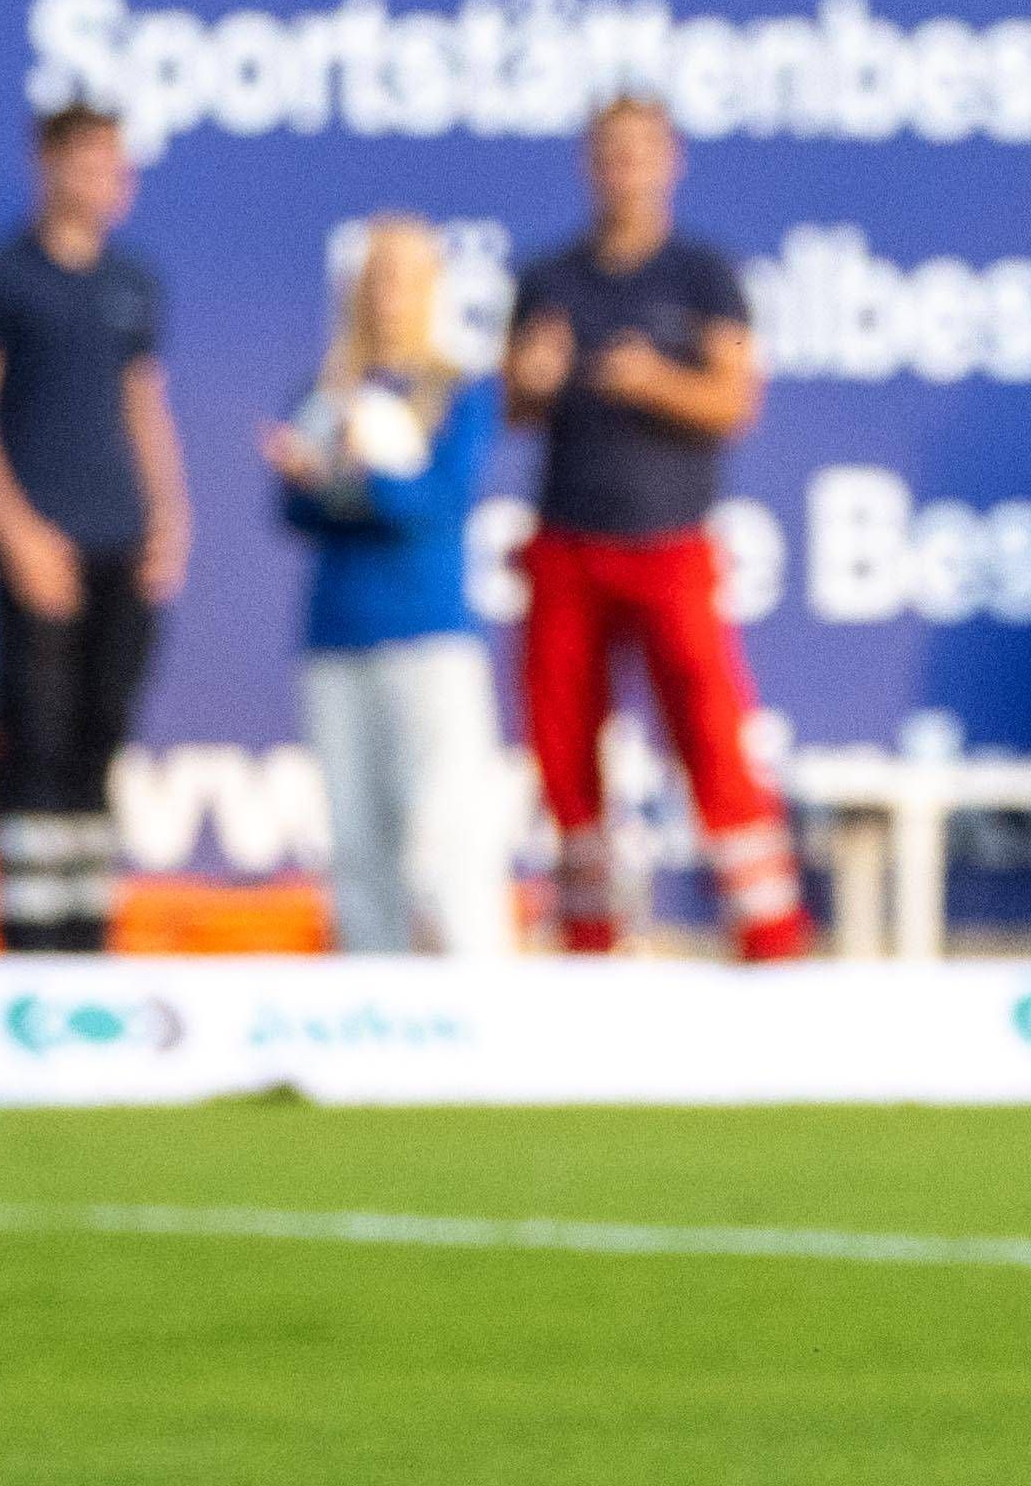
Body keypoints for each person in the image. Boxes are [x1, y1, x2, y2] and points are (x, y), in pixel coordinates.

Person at [506, 94, 806, 964]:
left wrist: (651, 381)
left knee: (711, 736)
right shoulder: (548, 277)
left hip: (671, 543)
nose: (624, 169)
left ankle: (769, 941)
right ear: (587, 163)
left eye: (640, 151)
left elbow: (734, 402)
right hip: (567, 541)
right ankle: (587, 937)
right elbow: (516, 408)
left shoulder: (703, 276)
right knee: (563, 751)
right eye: (609, 152)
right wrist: (532, 379)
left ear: (670, 162)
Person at [0, 102, 187, 955]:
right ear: (46, 165)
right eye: (87, 163)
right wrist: (17, 532)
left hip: (123, 540)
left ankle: (87, 929)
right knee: (35, 738)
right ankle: (33, 936)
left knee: (101, 734)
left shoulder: (133, 281)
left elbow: (143, 404)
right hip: (42, 544)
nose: (107, 182)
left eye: (117, 165)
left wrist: (169, 516)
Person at [269, 216, 511, 959]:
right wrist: (323, 479)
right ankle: (372, 997)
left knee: (447, 839)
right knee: (356, 840)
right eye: (377, 279)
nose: (388, 297)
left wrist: (357, 474)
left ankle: (476, 989)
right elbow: (294, 510)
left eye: (405, 280)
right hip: (340, 633)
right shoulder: (326, 391)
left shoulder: (455, 390)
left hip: (426, 631)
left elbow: (434, 503)